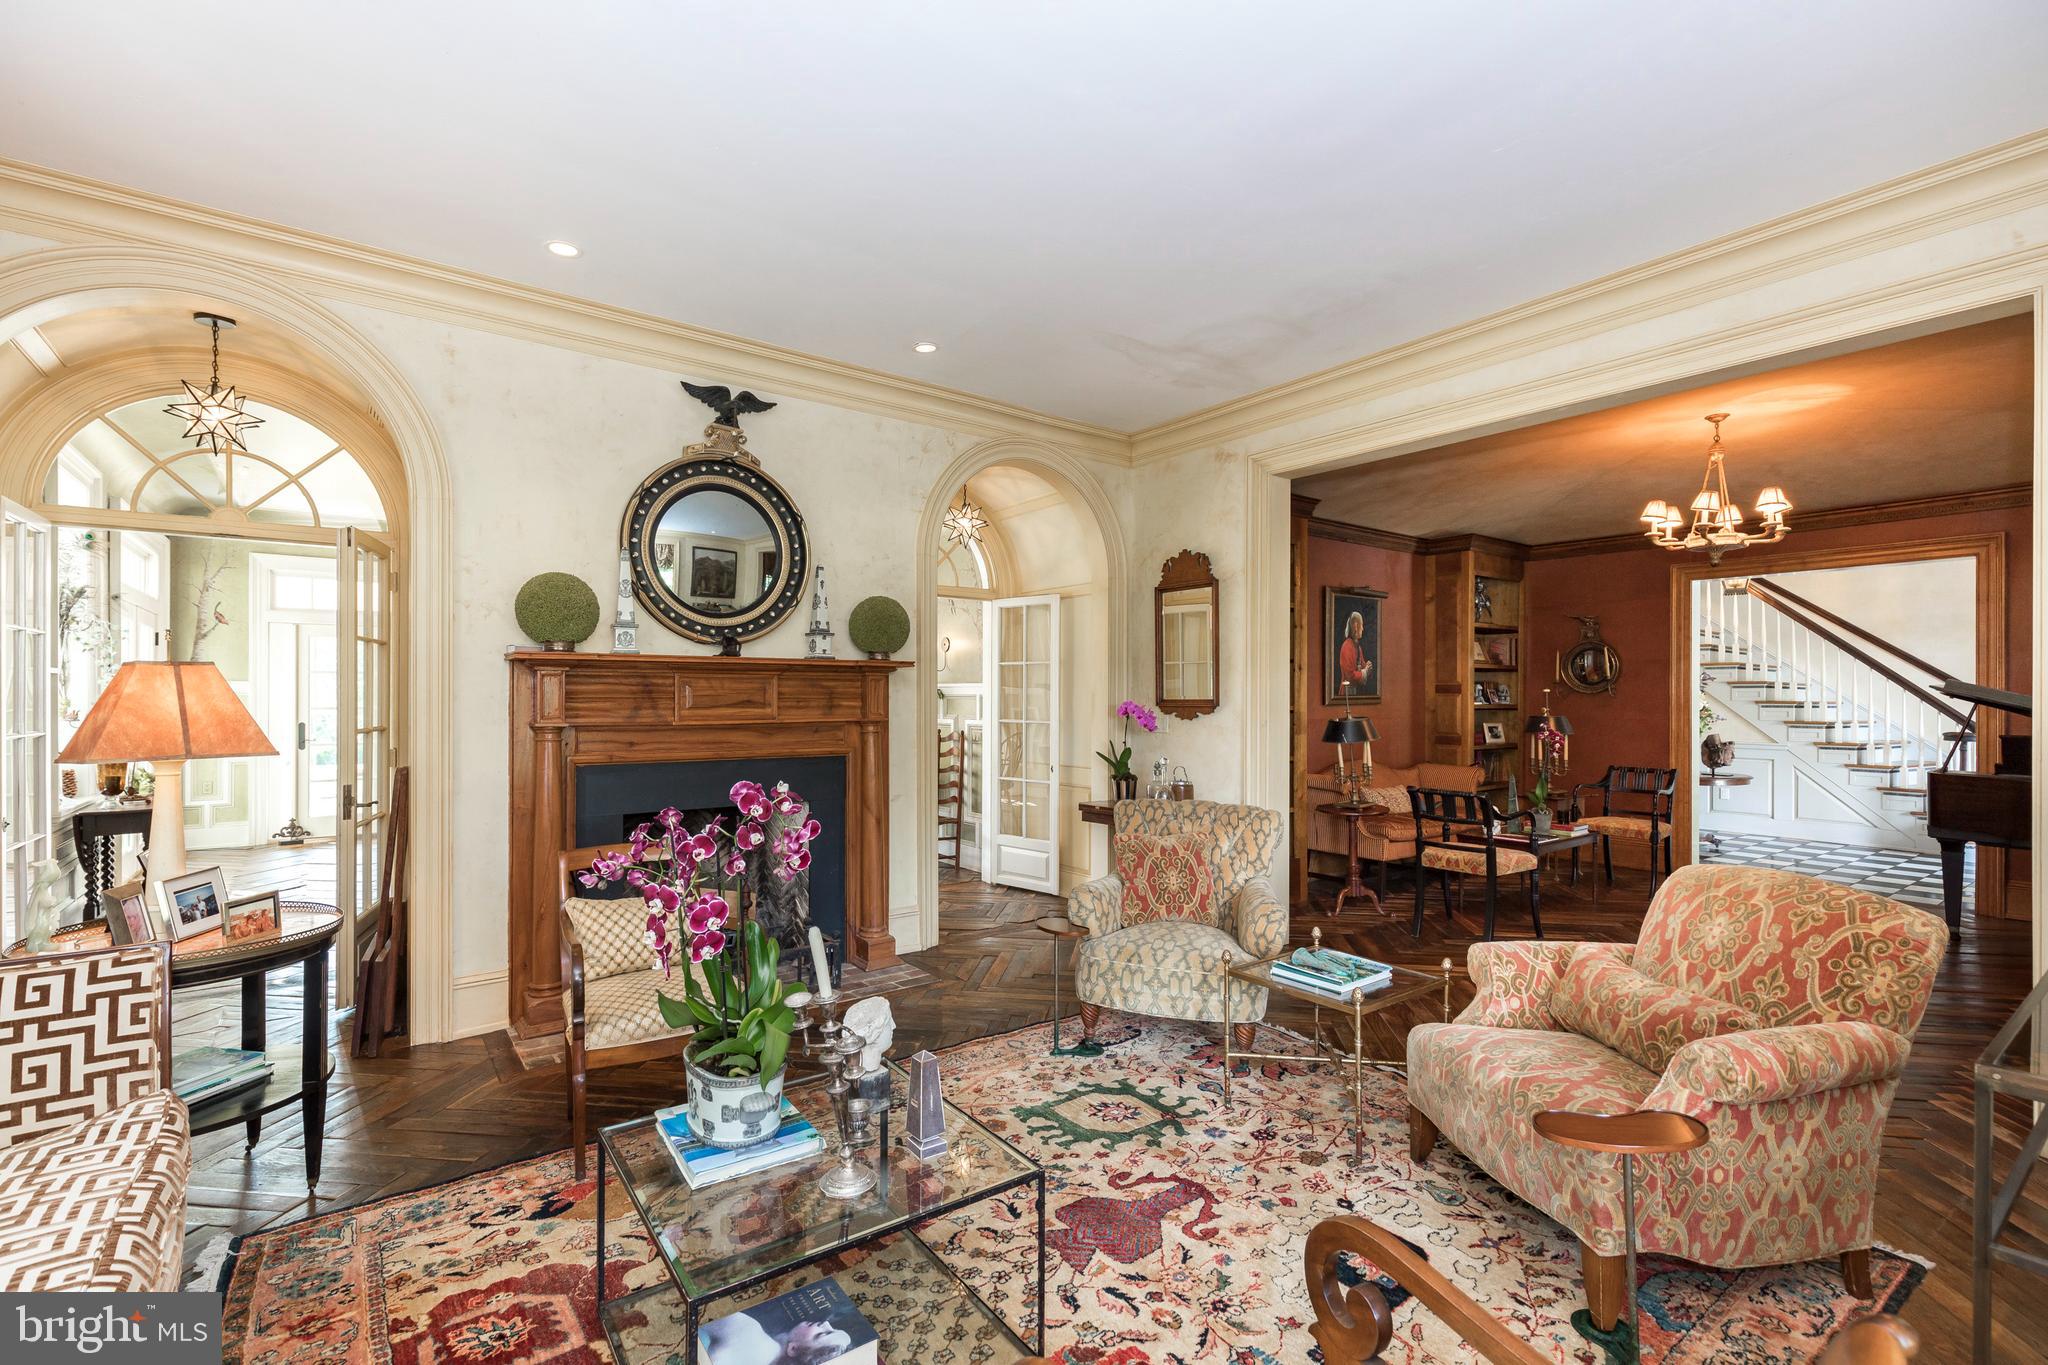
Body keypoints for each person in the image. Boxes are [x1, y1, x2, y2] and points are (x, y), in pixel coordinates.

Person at [700, 1311, 851, 1365]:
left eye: (823, 1334)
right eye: (833, 1328)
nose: (826, 1323)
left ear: (793, 1349)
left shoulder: (748, 1329)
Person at [1337, 610, 1373, 693]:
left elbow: (1362, 666)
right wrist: (1365, 671)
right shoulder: (1346, 646)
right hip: (1347, 692)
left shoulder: (1358, 647)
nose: (1363, 629)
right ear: (1356, 626)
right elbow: (1350, 676)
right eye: (1362, 625)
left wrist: (1368, 667)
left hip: (1357, 691)